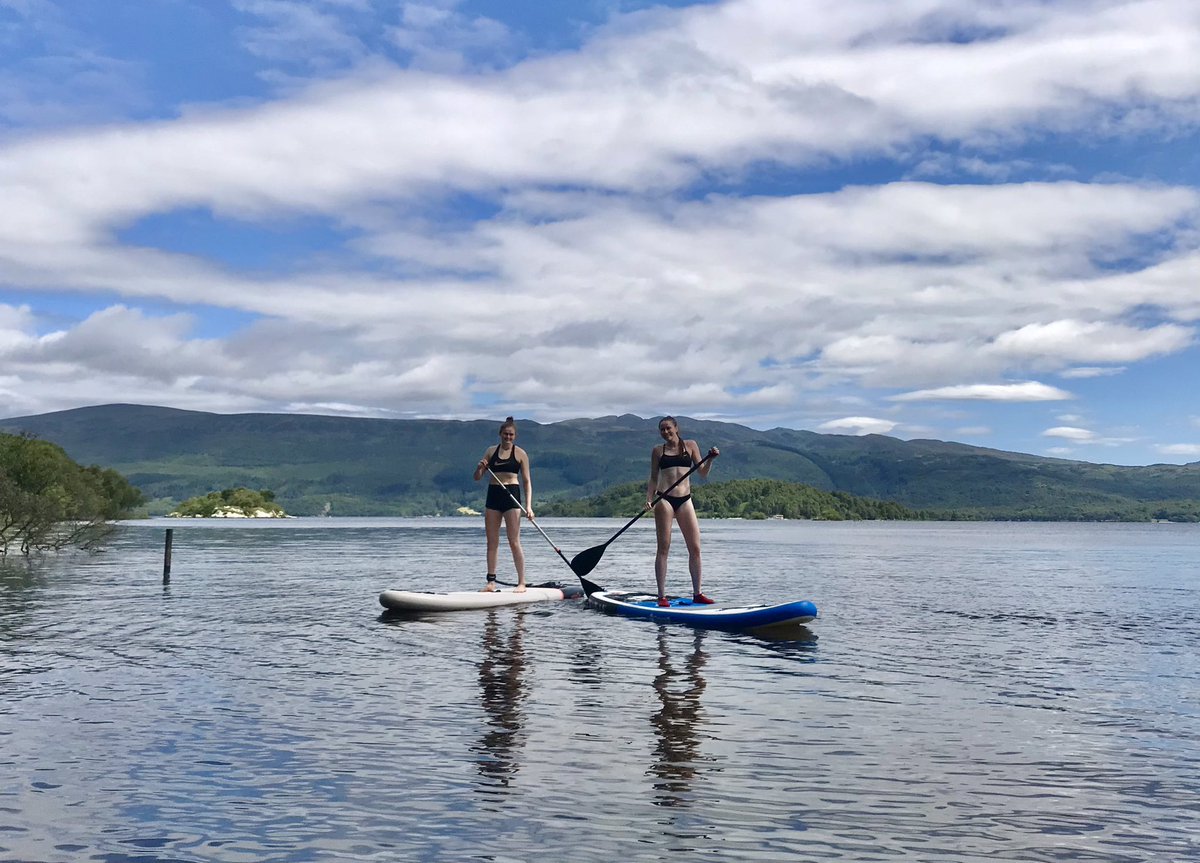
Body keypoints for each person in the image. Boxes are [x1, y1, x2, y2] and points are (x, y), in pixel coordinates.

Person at [645, 416, 719, 607]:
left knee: (695, 548)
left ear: (676, 428)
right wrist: (649, 499)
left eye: (668, 428)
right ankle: (661, 596)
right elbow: (653, 478)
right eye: (662, 429)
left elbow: (702, 473)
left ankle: (697, 593)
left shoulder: (691, 445)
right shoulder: (657, 451)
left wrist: (710, 459)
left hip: (685, 499)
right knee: (663, 548)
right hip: (664, 500)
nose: (665, 432)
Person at [473, 416, 534, 592]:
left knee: (514, 540)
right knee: (492, 542)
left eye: (511, 435)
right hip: (493, 495)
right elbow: (477, 478)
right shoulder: (491, 452)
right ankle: (491, 582)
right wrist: (479, 468)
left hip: (512, 496)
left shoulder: (521, 453)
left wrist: (529, 507)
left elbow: (527, 482)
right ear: (500, 434)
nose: (508, 437)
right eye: (506, 434)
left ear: (515, 436)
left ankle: (521, 582)